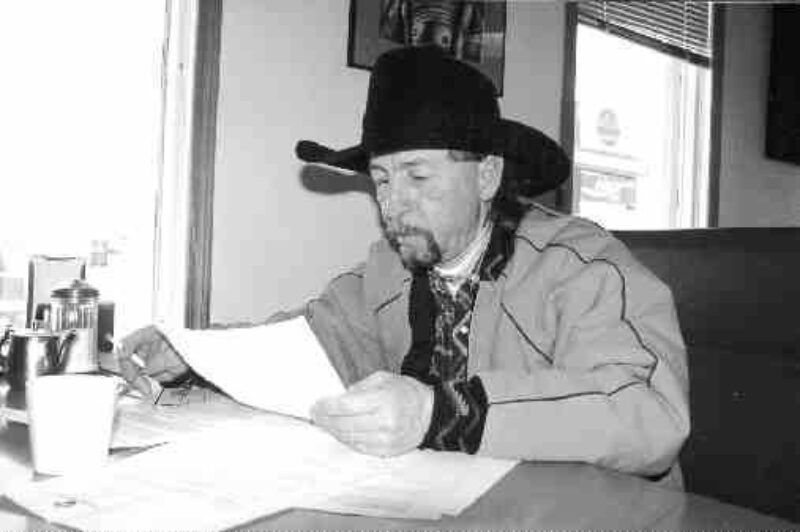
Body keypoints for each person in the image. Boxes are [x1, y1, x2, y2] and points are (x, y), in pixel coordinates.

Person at [118, 46, 690, 488]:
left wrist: (441, 414)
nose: (393, 205)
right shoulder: (387, 271)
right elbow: (306, 344)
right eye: (382, 180)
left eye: (417, 176)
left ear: (487, 176)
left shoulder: (583, 267)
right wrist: (194, 355)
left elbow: (649, 412)